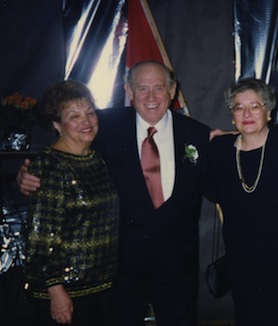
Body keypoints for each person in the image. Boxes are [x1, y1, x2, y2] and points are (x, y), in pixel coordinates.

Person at [18, 61, 210, 325]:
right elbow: (62, 147)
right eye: (142, 89)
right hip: (119, 269)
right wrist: (27, 172)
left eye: (159, 88)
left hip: (176, 265)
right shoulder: (102, 124)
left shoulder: (198, 134)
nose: (151, 97)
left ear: (173, 89)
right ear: (128, 90)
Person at [205, 78, 278, 325]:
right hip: (241, 259)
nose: (246, 113)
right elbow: (210, 190)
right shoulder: (220, 150)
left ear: (268, 112)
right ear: (232, 115)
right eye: (239, 107)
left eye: (255, 106)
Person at [23, 80, 119, 326]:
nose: (86, 121)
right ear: (57, 124)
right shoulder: (50, 166)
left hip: (101, 287)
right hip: (68, 293)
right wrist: (55, 291)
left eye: (89, 113)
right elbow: (41, 238)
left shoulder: (97, 159)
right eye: (74, 116)